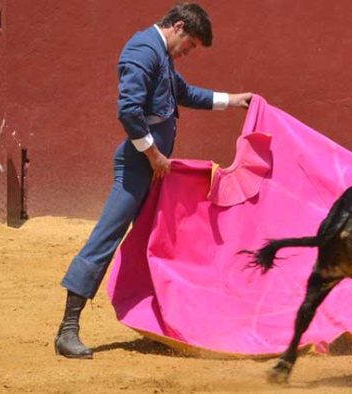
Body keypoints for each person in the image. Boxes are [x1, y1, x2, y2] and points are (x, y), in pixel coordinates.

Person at [54, 3, 252, 359]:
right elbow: (128, 111)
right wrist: (154, 155)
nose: (187, 53)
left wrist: (233, 100)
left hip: (150, 166)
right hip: (137, 167)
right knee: (107, 236)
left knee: (158, 240)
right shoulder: (144, 50)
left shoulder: (159, 54)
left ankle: (159, 321)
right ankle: (67, 329)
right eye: (189, 45)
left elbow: (185, 93)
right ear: (177, 27)